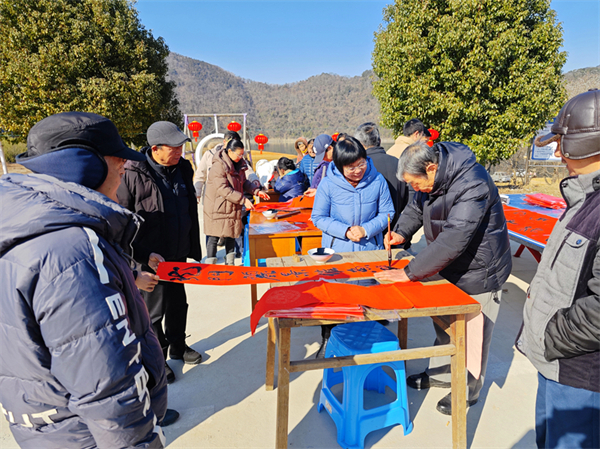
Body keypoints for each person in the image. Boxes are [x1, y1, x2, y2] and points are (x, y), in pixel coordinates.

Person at [0, 111, 174, 448]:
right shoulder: (73, 249)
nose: (124, 165)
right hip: (90, 435)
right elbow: (107, 388)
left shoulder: (25, 227)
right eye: (116, 158)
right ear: (83, 164)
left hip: (46, 427)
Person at [375, 141, 512, 415]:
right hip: (449, 265)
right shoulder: (430, 181)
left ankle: (467, 390)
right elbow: (416, 208)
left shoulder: (473, 182)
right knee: (445, 324)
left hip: (480, 269)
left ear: (431, 168)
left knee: (473, 335)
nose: (415, 189)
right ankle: (441, 373)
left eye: (416, 183)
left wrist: (409, 272)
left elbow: (454, 239)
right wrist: (401, 232)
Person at [516, 89, 600, 449]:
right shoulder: (583, 198)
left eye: (563, 144)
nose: (558, 154)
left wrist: (550, 336)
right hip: (556, 365)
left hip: (580, 375)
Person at [117, 121, 202, 385]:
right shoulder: (132, 172)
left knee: (178, 303)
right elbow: (123, 219)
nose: (179, 152)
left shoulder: (183, 168)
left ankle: (178, 345)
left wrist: (192, 247)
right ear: (155, 149)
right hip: (150, 258)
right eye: (173, 148)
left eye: (181, 147)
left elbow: (189, 209)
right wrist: (139, 257)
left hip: (177, 253)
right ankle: (157, 357)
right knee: (153, 312)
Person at [311, 136, 395, 357]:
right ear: (339, 166)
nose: (358, 171)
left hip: (369, 251)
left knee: (369, 301)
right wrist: (345, 230)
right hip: (338, 253)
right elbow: (318, 217)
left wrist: (366, 229)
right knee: (336, 302)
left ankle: (368, 347)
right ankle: (329, 341)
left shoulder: (377, 181)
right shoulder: (328, 184)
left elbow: (388, 212)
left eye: (361, 164)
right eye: (351, 167)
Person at [203, 139, 270, 265]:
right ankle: (210, 265)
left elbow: (244, 182)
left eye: (242, 154)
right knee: (214, 236)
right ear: (229, 151)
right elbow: (222, 189)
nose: (241, 157)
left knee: (231, 234)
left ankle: (230, 263)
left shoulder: (239, 164)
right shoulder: (218, 165)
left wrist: (256, 191)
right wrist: (243, 199)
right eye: (238, 154)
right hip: (217, 206)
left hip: (232, 205)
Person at [355, 122, 411, 230]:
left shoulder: (359, 168)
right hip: (396, 229)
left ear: (360, 145)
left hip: (368, 232)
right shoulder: (398, 163)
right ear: (379, 141)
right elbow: (407, 198)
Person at [194, 130, 261, 201]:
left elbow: (247, 170)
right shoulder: (210, 154)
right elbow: (200, 175)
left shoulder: (237, 156)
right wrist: (197, 193)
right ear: (224, 141)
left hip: (232, 195)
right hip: (213, 196)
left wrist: (254, 180)